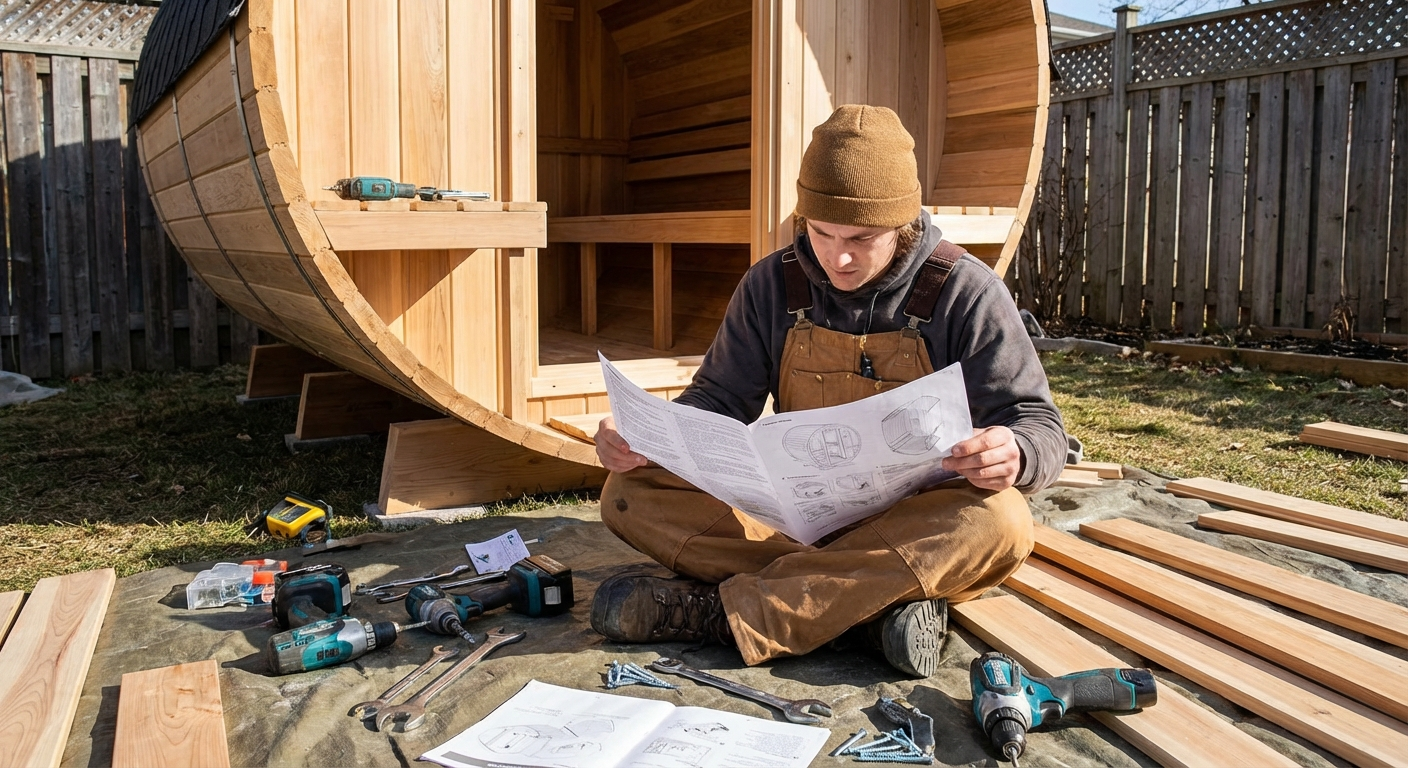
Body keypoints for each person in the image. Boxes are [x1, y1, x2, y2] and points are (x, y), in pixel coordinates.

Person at [589, 105, 1067, 677]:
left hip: (909, 525)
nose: (838, 257)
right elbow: (717, 401)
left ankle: (726, 614)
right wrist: (651, 439)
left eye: (862, 238)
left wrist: (1016, 452)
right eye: (820, 233)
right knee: (628, 493)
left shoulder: (967, 291)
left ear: (903, 224)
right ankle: (863, 611)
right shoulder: (771, 283)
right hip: (796, 525)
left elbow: (1039, 425)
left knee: (1000, 523)